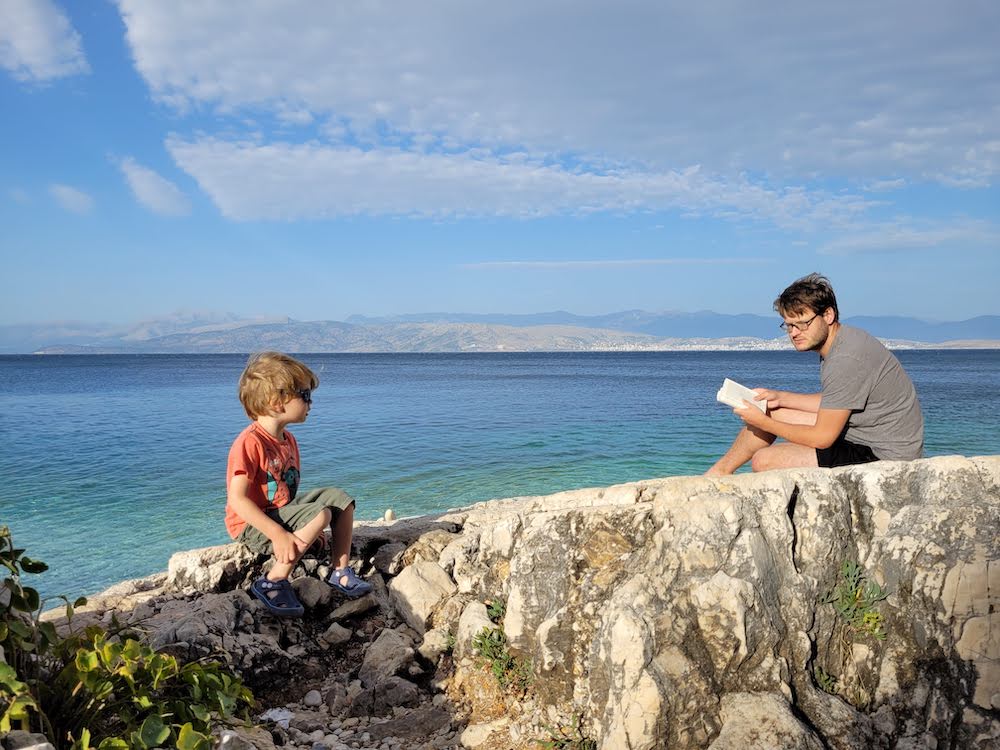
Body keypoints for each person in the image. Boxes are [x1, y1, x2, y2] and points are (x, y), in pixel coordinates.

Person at [706, 273, 923, 475]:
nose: (794, 333)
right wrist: (780, 398)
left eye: (803, 323)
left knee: (764, 460)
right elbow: (839, 400)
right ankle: (717, 473)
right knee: (772, 408)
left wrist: (763, 422)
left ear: (828, 315)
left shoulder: (846, 358)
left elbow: (822, 438)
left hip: (883, 455)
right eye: (789, 325)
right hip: (864, 435)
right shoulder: (842, 341)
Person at [225, 351, 373, 617]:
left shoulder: (287, 440)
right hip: (252, 525)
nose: (311, 403)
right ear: (276, 402)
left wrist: (305, 529)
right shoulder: (249, 443)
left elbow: (285, 498)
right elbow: (238, 500)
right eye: (305, 396)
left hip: (280, 513)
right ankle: (273, 580)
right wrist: (279, 534)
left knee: (340, 499)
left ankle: (339, 570)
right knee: (321, 512)